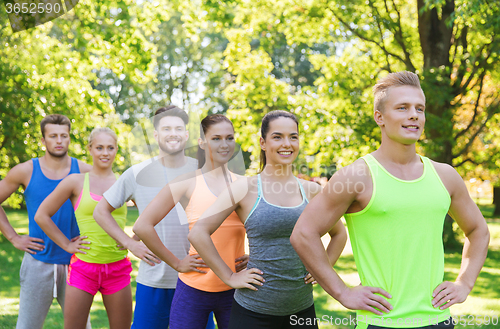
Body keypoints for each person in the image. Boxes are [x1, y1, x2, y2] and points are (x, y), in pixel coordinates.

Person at [290, 71, 490, 329]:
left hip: (438, 320)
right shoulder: (356, 176)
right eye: (402, 108)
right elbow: (304, 233)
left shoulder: (446, 176)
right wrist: (343, 292)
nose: (414, 115)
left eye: (420, 108)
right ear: (379, 117)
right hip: (379, 322)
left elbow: (478, 230)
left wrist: (465, 282)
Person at [188, 110, 347, 329]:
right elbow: (198, 232)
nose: (287, 143)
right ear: (263, 142)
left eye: (293, 136)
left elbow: (339, 233)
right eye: (277, 136)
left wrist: (323, 269)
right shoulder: (244, 188)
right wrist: (230, 277)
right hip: (253, 312)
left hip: (302, 312)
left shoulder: (311, 191)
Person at [93, 106, 215, 329]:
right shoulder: (136, 173)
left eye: (178, 128)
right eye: (166, 128)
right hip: (154, 279)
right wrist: (130, 243)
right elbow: (100, 211)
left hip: (198, 277)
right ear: (156, 135)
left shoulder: (203, 170)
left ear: (186, 134)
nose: (173, 133)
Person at [134, 114, 248, 329]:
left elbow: (263, 229)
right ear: (202, 142)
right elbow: (142, 226)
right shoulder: (186, 182)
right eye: (216, 138)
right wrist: (177, 263)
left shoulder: (245, 185)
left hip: (235, 291)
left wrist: (255, 258)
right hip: (193, 290)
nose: (224, 144)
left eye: (229, 138)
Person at [35, 127, 134, 329]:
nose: (105, 153)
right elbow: (41, 215)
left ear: (116, 150)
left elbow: (152, 214)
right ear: (90, 149)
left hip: (118, 268)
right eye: (99, 147)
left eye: (110, 148)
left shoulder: (125, 183)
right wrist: (67, 245)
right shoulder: (76, 181)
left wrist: (135, 239)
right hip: (84, 269)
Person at [0, 114, 92, 329]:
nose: (59, 141)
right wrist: (13, 237)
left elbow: (110, 207)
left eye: (64, 136)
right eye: (53, 136)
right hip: (37, 262)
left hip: (76, 263)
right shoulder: (25, 170)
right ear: (43, 140)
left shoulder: (86, 171)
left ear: (70, 138)